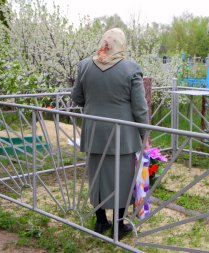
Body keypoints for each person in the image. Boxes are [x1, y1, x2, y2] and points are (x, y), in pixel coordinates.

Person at [71, 28, 148, 239]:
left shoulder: (85, 65)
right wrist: (145, 135)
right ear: (121, 44)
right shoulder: (131, 69)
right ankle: (118, 224)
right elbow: (139, 108)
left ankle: (100, 221)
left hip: (94, 131)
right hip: (122, 136)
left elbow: (77, 97)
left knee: (97, 176)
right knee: (122, 179)